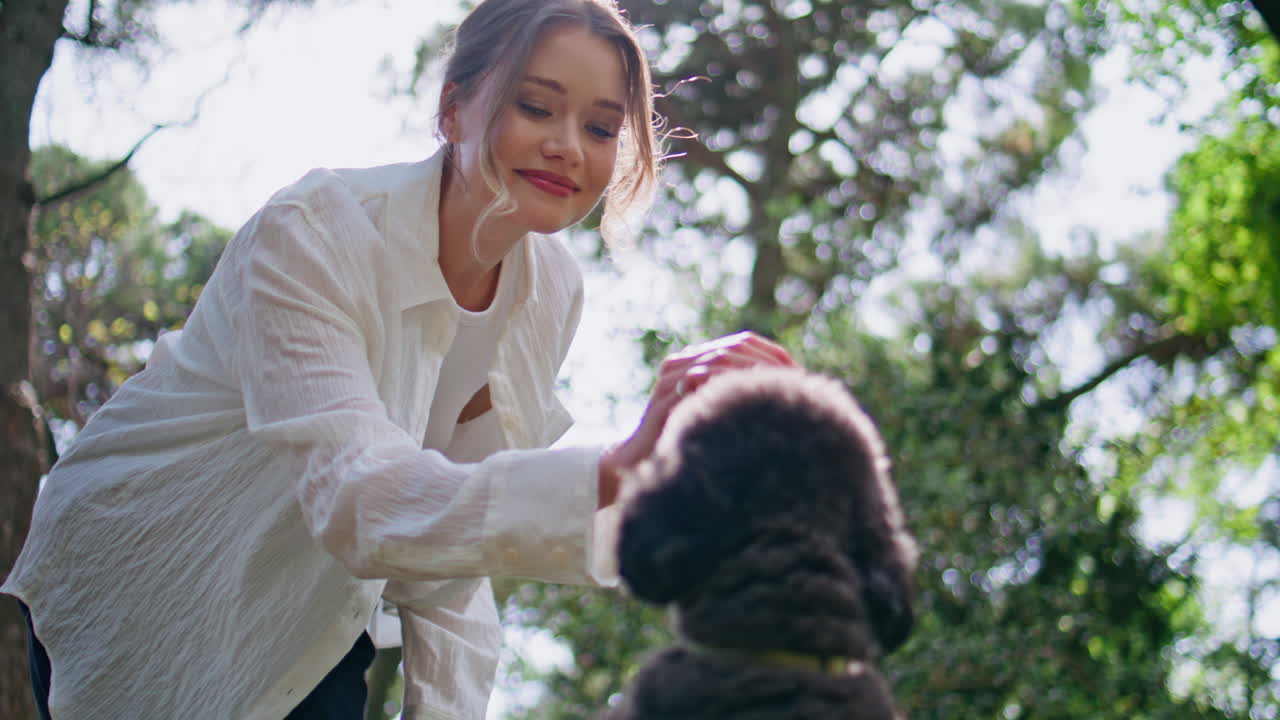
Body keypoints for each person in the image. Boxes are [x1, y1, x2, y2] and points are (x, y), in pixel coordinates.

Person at [2, 0, 798, 718]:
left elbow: (454, 546)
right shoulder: (314, 231)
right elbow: (362, 497)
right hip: (144, 567)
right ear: (453, 109)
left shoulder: (551, 289)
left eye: (599, 127)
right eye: (535, 106)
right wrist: (620, 466)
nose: (567, 146)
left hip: (310, 608)